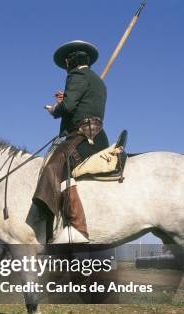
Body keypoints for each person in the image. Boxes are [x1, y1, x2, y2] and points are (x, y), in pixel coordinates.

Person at [33, 40, 109, 243]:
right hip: (97, 135)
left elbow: (67, 109)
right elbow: (78, 103)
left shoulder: (76, 75)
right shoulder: (96, 80)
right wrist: (66, 99)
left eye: (67, 61)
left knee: (55, 165)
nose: (66, 65)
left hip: (83, 135)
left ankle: (77, 227)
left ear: (72, 60)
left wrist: (54, 109)